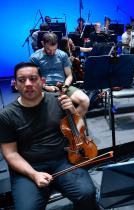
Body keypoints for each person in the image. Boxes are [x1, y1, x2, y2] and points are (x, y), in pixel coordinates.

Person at [0, 62, 98, 210]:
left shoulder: (58, 100)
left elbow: (78, 131)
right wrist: (34, 175)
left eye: (33, 78)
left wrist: (73, 111)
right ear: (15, 84)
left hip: (62, 160)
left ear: (43, 81)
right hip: (29, 166)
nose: (28, 84)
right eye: (22, 80)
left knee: (87, 193)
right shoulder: (6, 115)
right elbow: (11, 154)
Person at [30, 32, 90, 116]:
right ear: (43, 43)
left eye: (54, 49)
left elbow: (69, 76)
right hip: (44, 87)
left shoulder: (62, 55)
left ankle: (73, 126)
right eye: (49, 50)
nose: (52, 52)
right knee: (49, 110)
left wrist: (65, 86)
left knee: (85, 101)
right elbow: (33, 78)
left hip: (63, 86)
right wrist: (45, 86)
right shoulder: (35, 57)